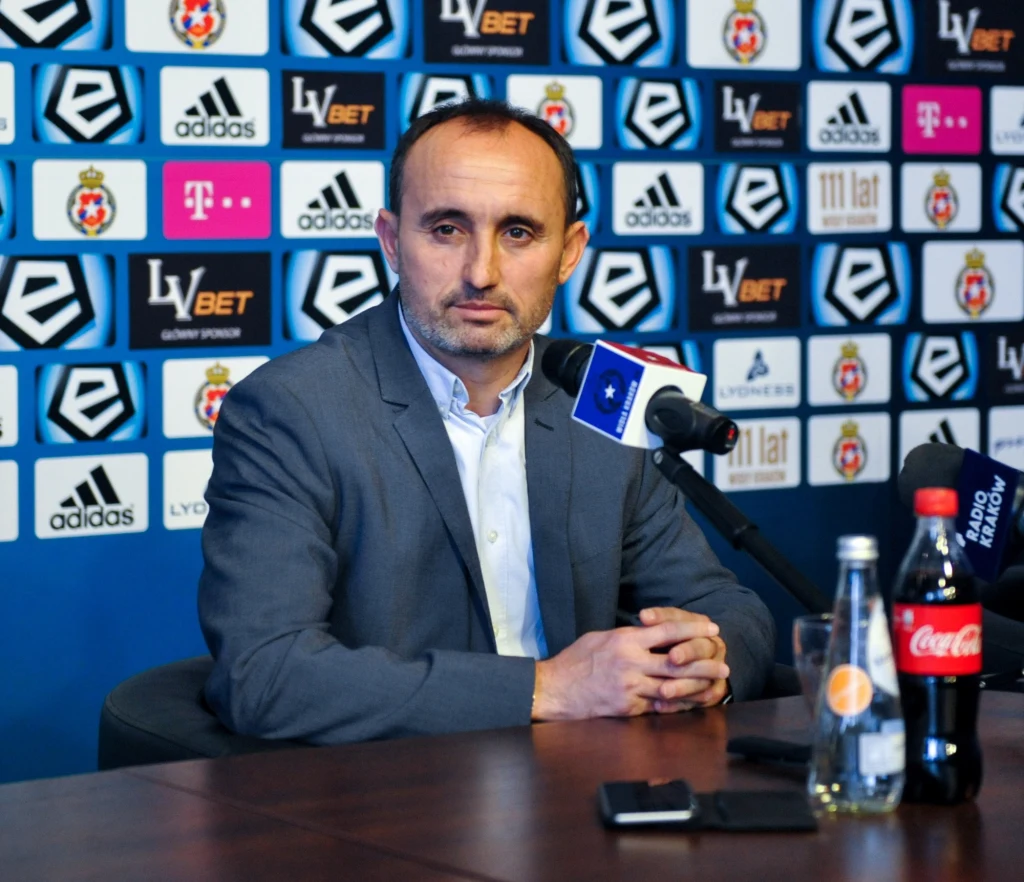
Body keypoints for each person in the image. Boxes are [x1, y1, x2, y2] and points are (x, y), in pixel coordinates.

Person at [198, 99, 776, 743]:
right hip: (397, 788)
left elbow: (726, 610)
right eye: (447, 229)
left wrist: (702, 664)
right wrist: (547, 688)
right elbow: (264, 675)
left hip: (589, 781)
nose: (482, 272)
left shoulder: (602, 402)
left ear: (570, 252)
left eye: (519, 232)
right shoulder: (291, 411)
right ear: (391, 241)